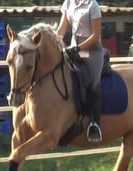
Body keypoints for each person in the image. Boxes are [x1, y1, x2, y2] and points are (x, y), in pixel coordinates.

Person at [56, 0, 104, 142]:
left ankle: (95, 124)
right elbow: (61, 29)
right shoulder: (68, 3)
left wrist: (78, 48)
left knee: (93, 84)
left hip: (92, 51)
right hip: (73, 49)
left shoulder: (92, 5)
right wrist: (54, 42)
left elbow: (95, 35)